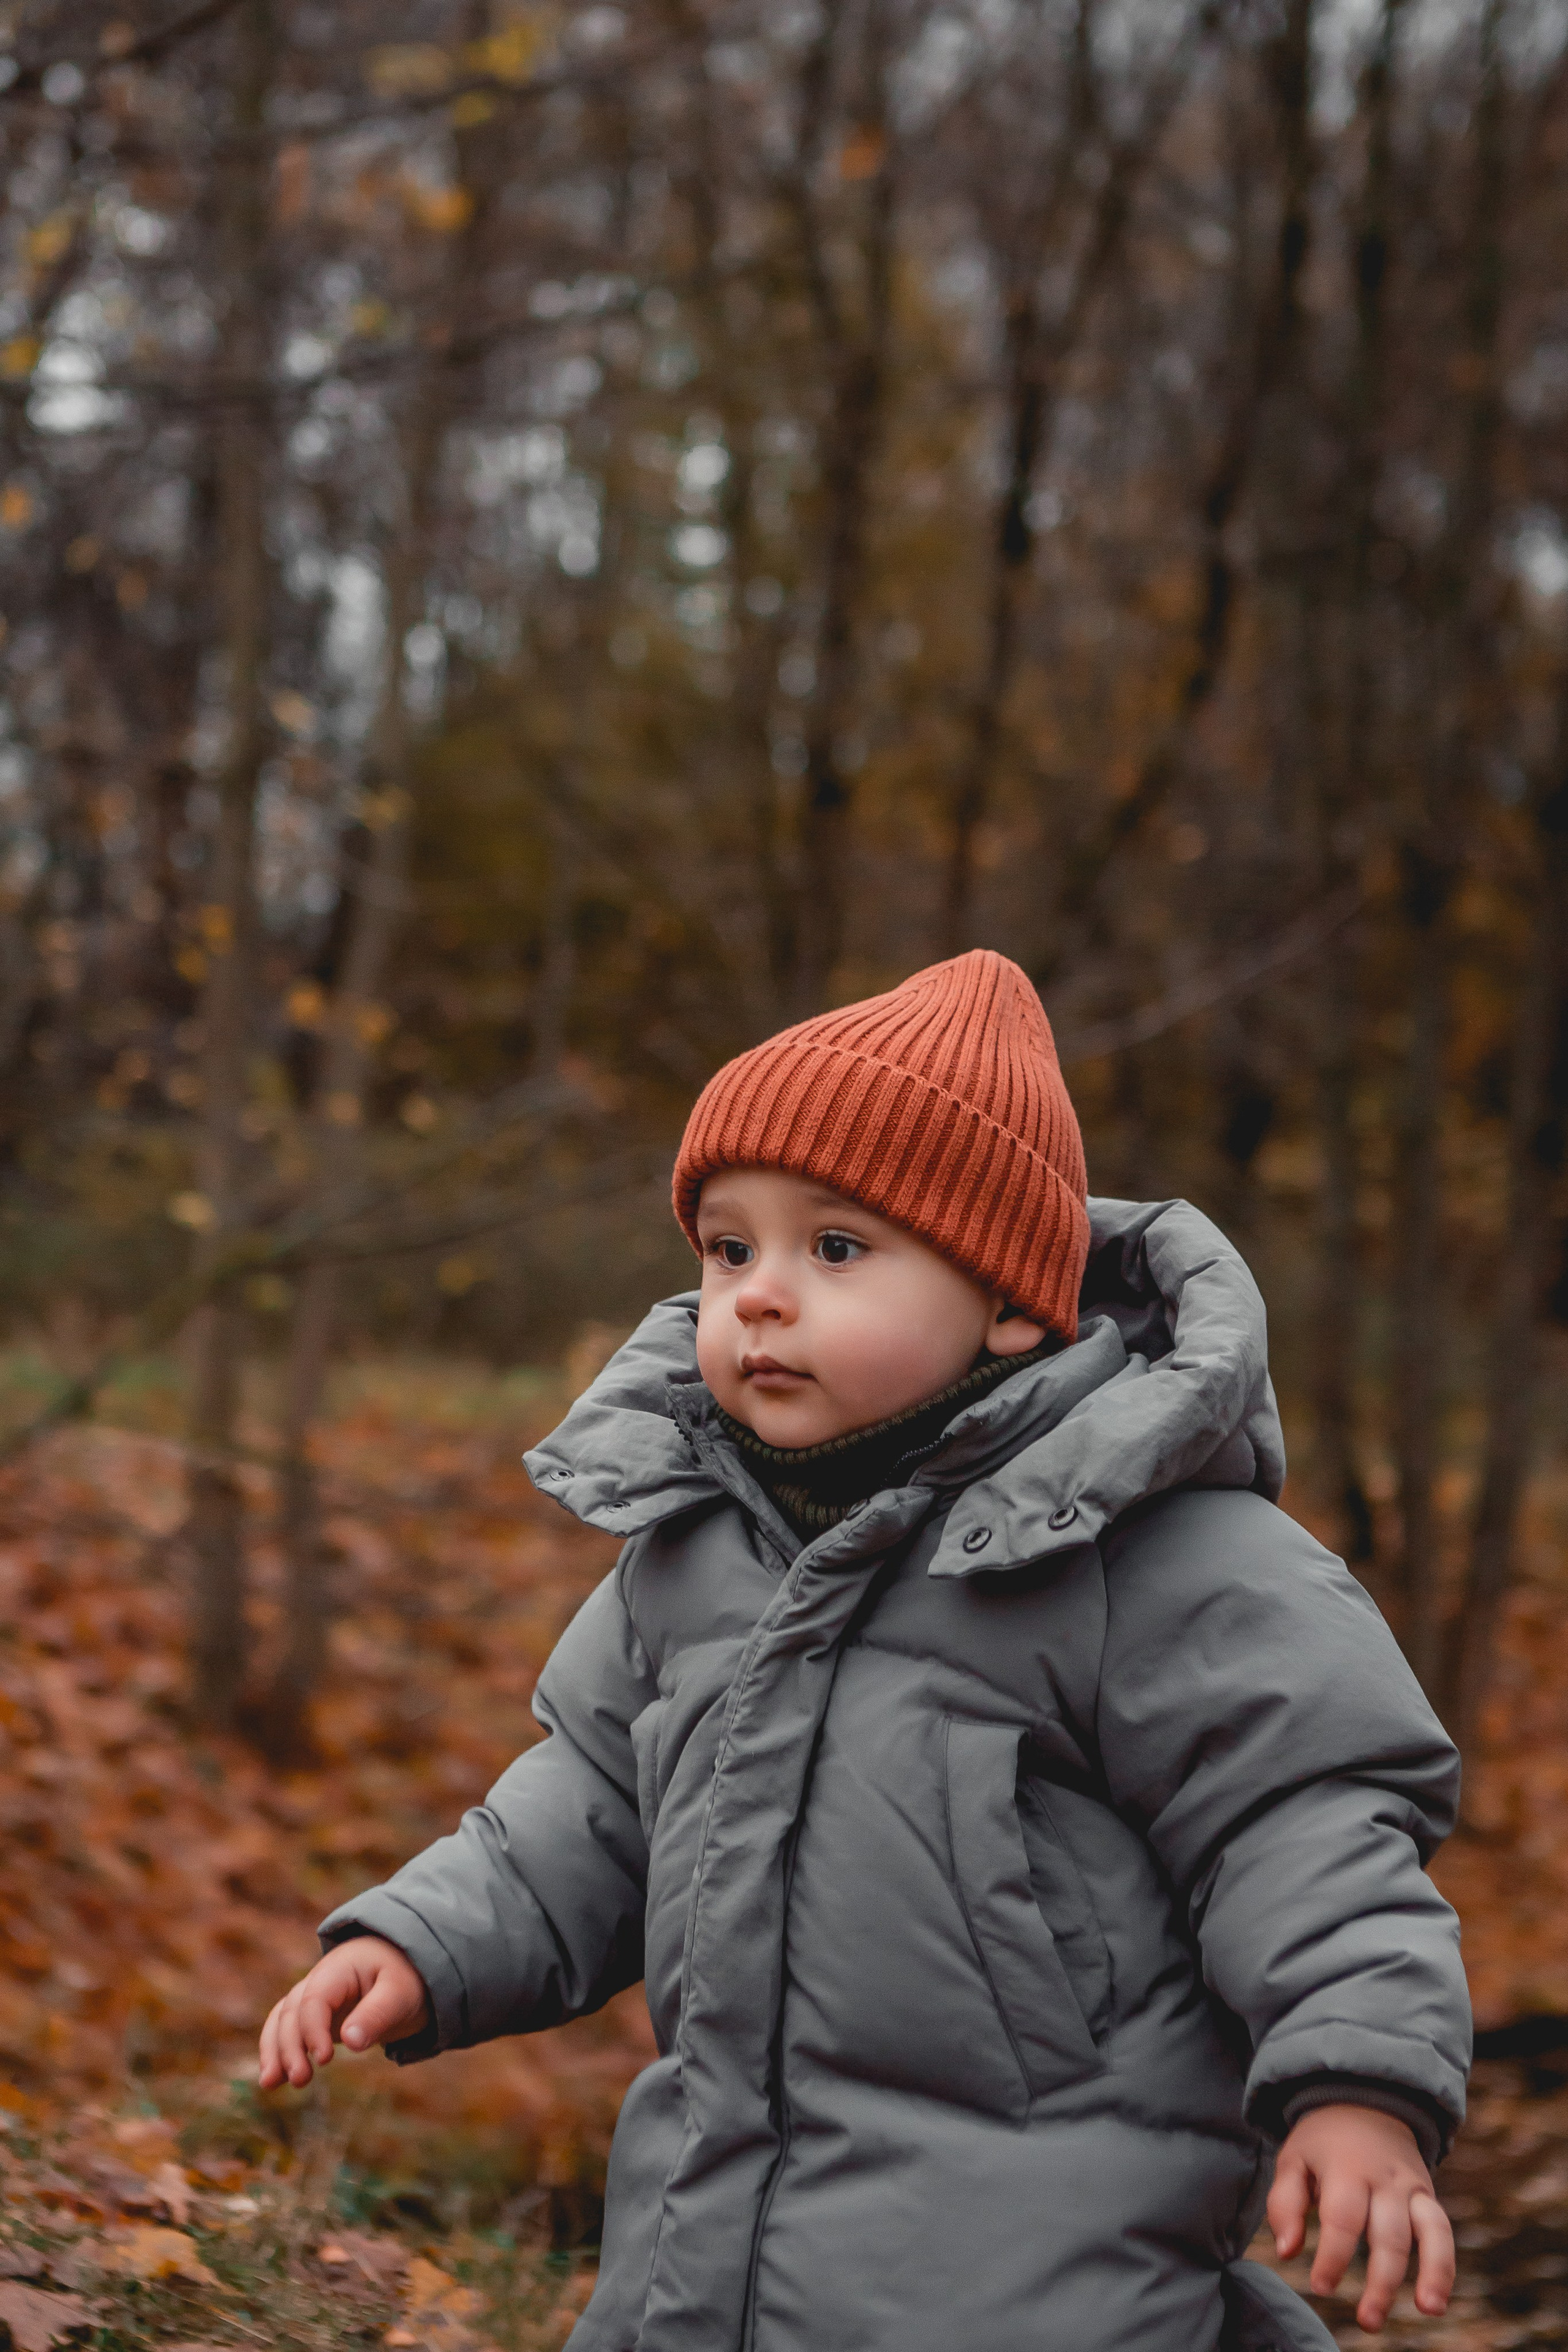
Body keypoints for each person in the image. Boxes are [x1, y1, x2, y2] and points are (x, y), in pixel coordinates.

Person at [258, 950, 1471, 2352]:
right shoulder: (693, 1551)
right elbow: (589, 1803)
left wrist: (1355, 2088)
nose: (760, 1296)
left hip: (1042, 2284)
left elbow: (1304, 1832)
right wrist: (424, 1939)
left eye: (834, 1249)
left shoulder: (1156, 1559)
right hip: (702, 2264)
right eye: (728, 1248)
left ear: (1011, 1302)